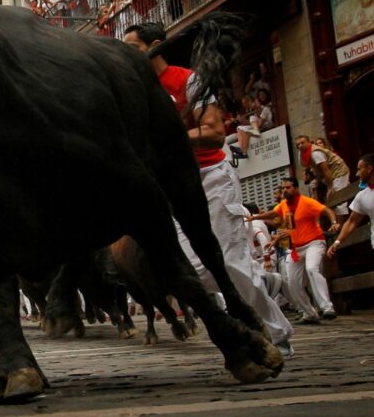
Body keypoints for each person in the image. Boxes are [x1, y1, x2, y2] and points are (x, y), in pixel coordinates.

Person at [122, 22, 294, 359]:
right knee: (188, 270)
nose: (126, 55)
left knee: (230, 264)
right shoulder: (135, 90)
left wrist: (166, 139)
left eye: (133, 48)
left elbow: (215, 133)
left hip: (211, 177)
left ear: (155, 46)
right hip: (173, 185)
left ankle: (277, 333)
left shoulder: (188, 80)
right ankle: (264, 280)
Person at [247, 179, 339, 322]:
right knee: (292, 281)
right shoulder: (284, 205)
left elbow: (326, 210)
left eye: (288, 187)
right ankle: (309, 313)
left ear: (296, 188)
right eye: (283, 188)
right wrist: (255, 217)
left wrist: (334, 223)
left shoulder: (307, 202)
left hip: (314, 242)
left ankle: (327, 307)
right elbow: (273, 214)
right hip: (297, 248)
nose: (285, 190)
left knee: (312, 268)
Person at [328, 153, 374, 259]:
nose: (357, 174)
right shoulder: (362, 196)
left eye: (359, 169)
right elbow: (352, 221)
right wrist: (338, 241)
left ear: (369, 169)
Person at [295, 135, 350, 204]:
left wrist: (330, 186)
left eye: (302, 143)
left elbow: (325, 170)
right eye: (298, 145)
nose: (300, 146)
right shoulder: (305, 153)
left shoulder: (315, 153)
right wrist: (300, 152)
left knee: (338, 199)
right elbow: (303, 164)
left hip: (338, 171)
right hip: (331, 174)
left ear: (309, 142)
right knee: (334, 198)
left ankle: (342, 213)